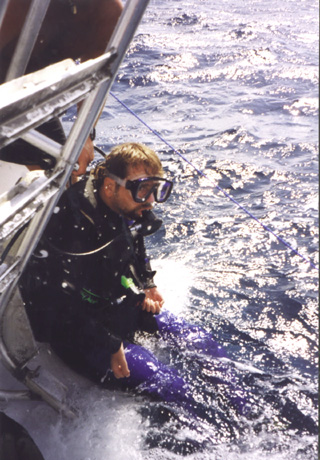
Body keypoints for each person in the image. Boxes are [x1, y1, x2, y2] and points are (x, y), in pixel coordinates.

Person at [20, 142, 247, 414]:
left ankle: (248, 414)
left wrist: (147, 283)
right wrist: (110, 344)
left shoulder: (128, 207)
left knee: (202, 343)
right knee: (170, 387)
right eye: (142, 189)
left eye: (156, 190)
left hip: (118, 306)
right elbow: (55, 306)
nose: (150, 201)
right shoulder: (72, 224)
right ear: (109, 186)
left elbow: (136, 245)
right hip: (77, 334)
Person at [0, 0, 123, 177]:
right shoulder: (23, 4)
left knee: (62, 171)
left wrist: (85, 135)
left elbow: (96, 81)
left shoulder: (108, 11)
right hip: (6, 87)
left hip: (36, 95)